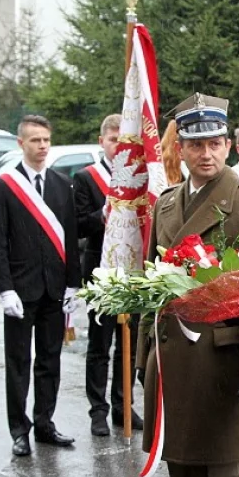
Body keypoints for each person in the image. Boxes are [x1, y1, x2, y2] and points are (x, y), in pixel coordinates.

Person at [139, 93, 239, 477]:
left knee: (220, 455)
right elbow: (153, 279)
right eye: (195, 145)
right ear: (181, 150)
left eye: (215, 143)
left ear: (229, 145)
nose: (206, 153)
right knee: (178, 448)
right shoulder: (168, 201)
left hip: (220, 348)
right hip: (172, 346)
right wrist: (147, 349)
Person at [0, 115, 81, 456]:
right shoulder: (4, 185)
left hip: (55, 290)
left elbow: (70, 239)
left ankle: (45, 423)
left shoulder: (61, 183)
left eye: (46, 140)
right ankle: (19, 430)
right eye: (35, 141)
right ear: (21, 144)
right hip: (20, 289)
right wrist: (4, 288)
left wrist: (74, 284)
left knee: (50, 360)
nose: (42, 146)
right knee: (18, 363)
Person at [72, 114, 144, 436]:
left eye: (123, 139)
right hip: (100, 270)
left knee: (127, 343)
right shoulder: (87, 177)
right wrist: (101, 214)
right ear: (102, 141)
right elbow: (77, 225)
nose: (118, 145)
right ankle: (97, 409)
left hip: (130, 269)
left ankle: (122, 404)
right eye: (113, 139)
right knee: (100, 345)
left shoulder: (138, 177)